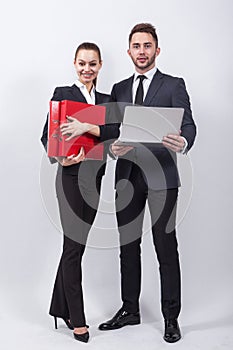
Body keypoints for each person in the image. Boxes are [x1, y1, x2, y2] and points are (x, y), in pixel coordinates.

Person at [96, 23, 197, 343]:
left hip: (162, 177)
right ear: (129, 51)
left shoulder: (173, 85)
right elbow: (110, 131)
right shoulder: (119, 88)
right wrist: (112, 146)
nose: (142, 51)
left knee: (166, 247)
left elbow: (189, 125)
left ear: (157, 50)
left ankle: (171, 317)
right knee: (128, 246)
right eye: (136, 46)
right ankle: (130, 309)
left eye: (147, 45)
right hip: (127, 177)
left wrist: (184, 141)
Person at [40, 42, 119, 343]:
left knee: (77, 247)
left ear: (100, 66)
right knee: (73, 248)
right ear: (74, 64)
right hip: (70, 178)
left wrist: (89, 125)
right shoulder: (63, 94)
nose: (87, 69)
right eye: (82, 63)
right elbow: (46, 135)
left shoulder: (107, 100)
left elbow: (113, 135)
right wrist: (60, 157)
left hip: (95, 178)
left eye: (93, 64)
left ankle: (58, 306)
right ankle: (78, 318)